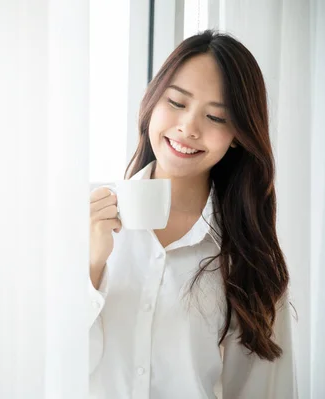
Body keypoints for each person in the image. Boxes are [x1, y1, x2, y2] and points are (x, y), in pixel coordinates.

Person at [88, 30, 297, 398]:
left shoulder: (249, 258)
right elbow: (43, 367)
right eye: (177, 102)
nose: (189, 127)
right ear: (152, 101)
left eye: (216, 117)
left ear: (238, 135)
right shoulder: (82, 218)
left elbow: (265, 390)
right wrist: (90, 267)